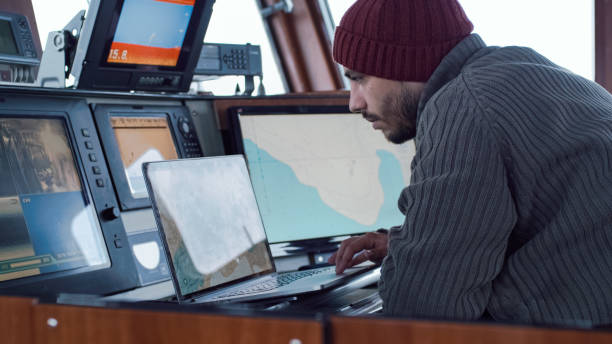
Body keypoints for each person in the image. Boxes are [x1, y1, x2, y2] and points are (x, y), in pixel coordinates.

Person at [328, 0, 612, 327]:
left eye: (359, 78)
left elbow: (420, 311)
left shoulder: (463, 107)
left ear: (404, 64)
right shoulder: (520, 67)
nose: (354, 102)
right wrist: (405, 243)